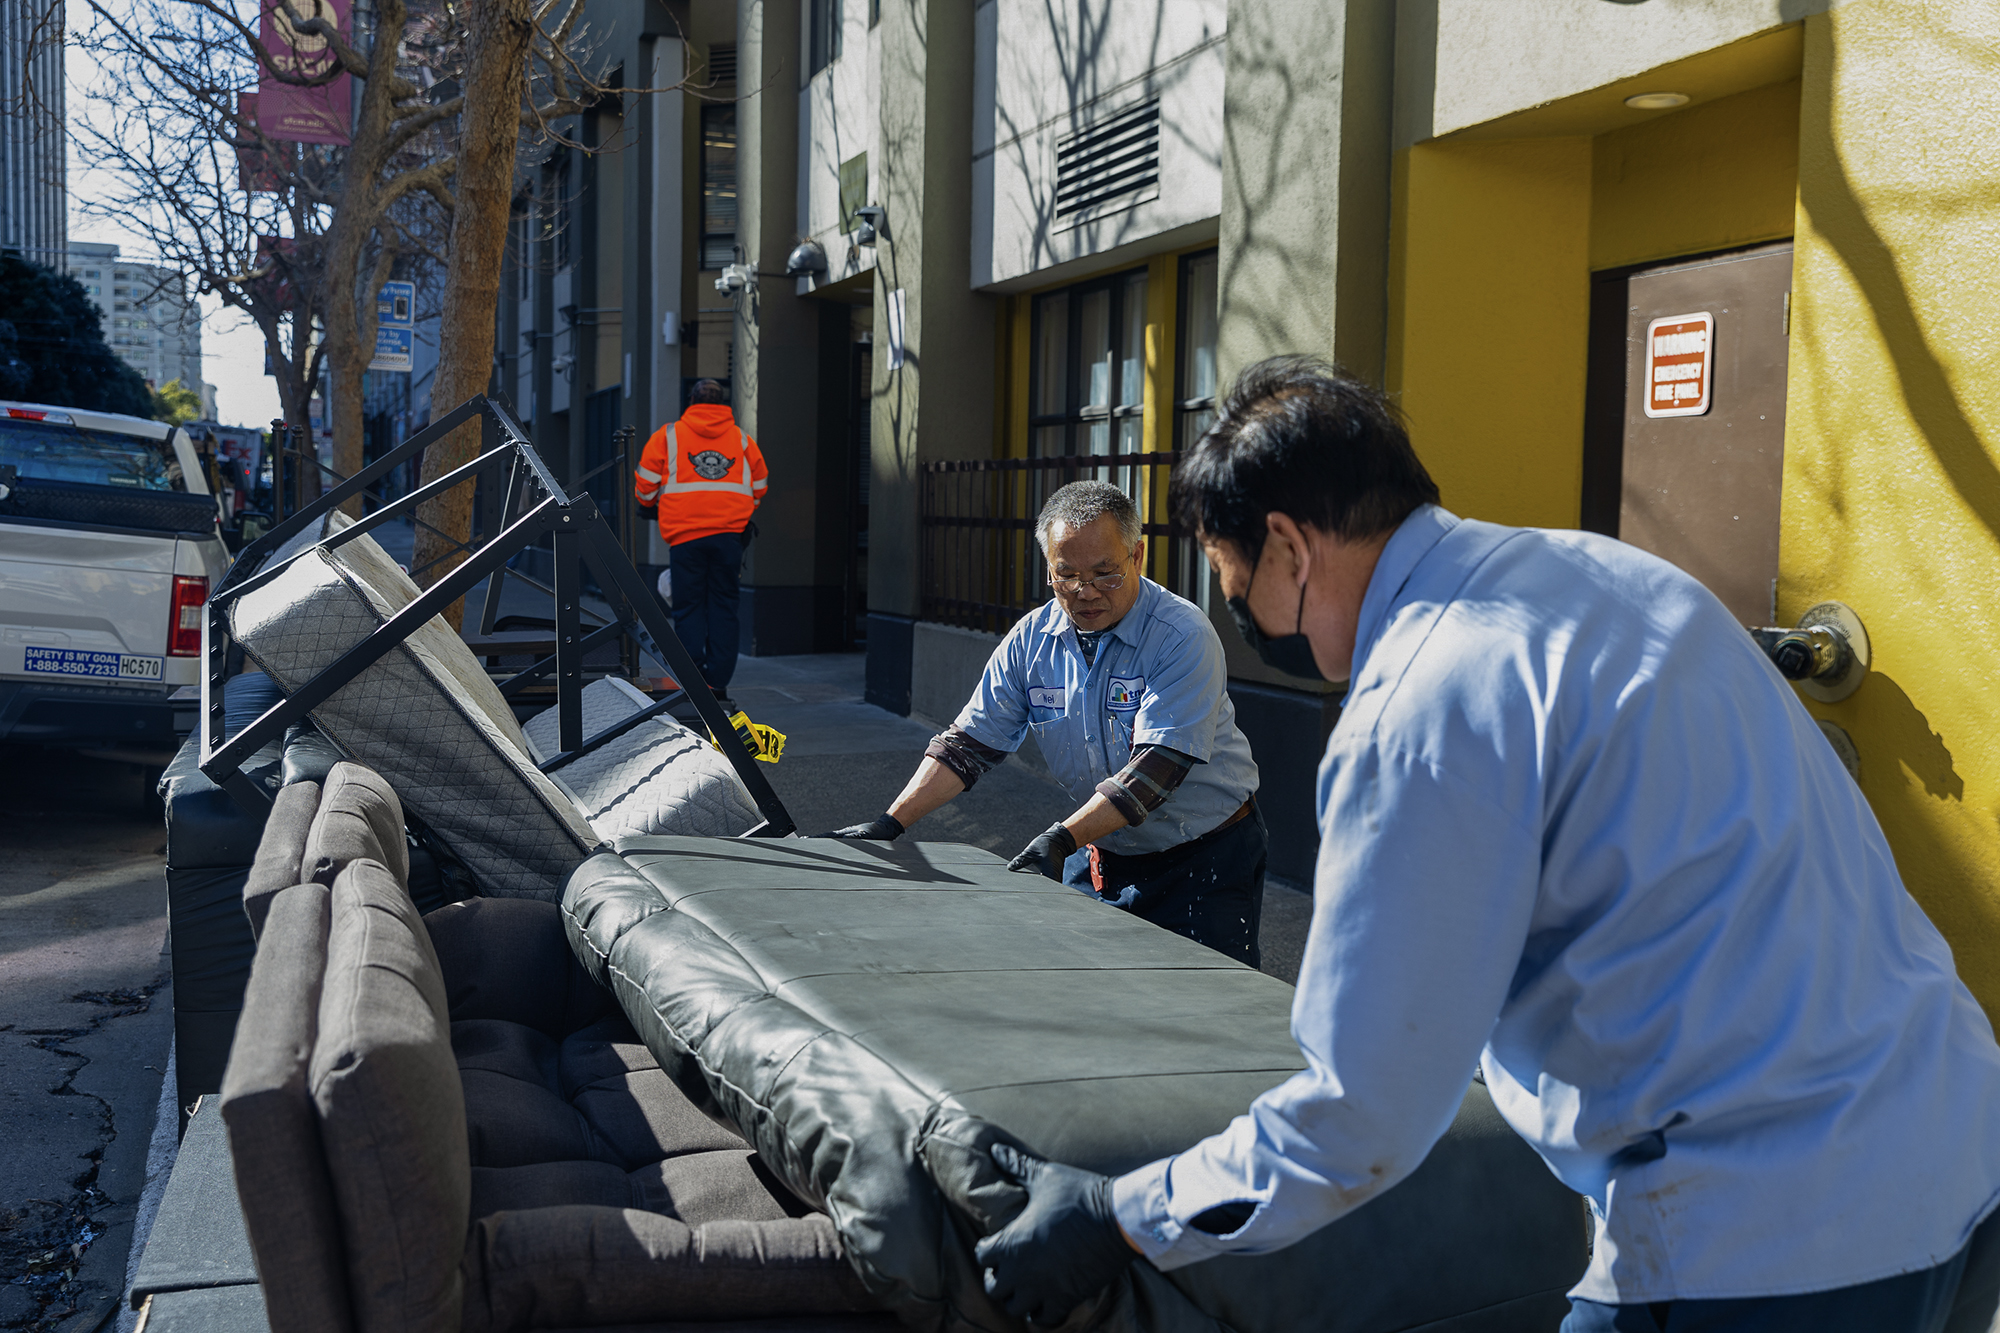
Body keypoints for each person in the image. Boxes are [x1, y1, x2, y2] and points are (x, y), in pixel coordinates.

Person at [973, 357, 2000, 1332]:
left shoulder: (1422, 704)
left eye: (1233, 583)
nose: (1237, 613)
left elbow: (1360, 1112)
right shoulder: (1617, 580)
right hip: (1954, 1134)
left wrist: (1120, 1214)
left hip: (1766, 1234)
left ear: (1288, 546)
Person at [824, 480, 1266, 965]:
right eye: (1067, 574)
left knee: (1208, 1007)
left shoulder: (1182, 636)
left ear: (1137, 555)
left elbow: (1156, 771)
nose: (1085, 592)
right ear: (1048, 568)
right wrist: (890, 824)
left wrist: (1062, 839)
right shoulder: (1032, 640)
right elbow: (968, 746)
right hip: (1100, 846)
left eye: (1105, 573)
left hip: (1204, 855)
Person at [634, 379, 767, 701]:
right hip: (728, 538)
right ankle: (718, 683)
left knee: (688, 607)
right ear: (722, 404)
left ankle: (692, 680)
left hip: (686, 538)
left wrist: (651, 506)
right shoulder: (742, 440)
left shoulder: (668, 436)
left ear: (691, 400)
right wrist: (735, 512)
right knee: (724, 608)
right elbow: (759, 485)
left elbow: (645, 486)